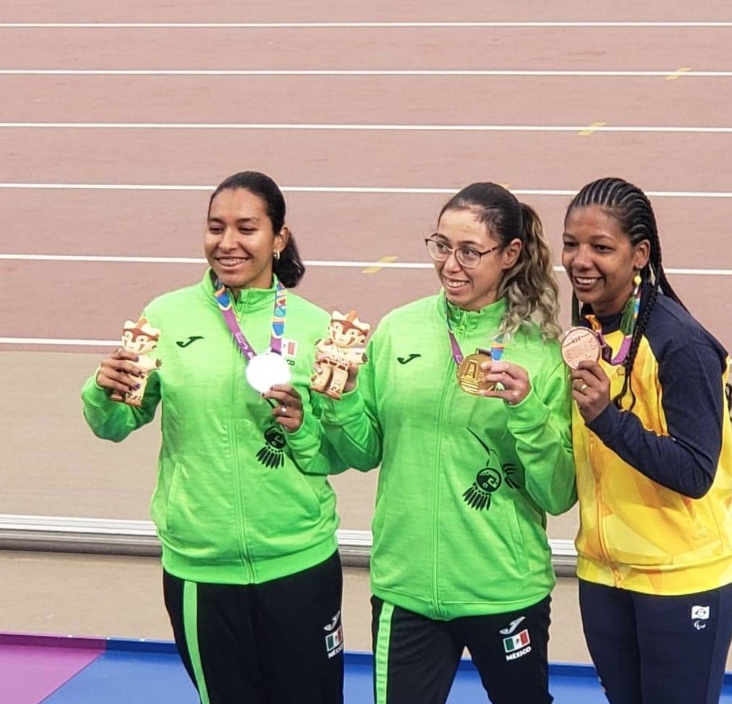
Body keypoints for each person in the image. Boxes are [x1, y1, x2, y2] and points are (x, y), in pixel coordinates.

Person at [81, 171, 346, 704]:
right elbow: (113, 425)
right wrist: (101, 391)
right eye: (215, 227)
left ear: (279, 238)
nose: (227, 243)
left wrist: (304, 427)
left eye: (246, 228)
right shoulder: (165, 316)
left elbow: (347, 453)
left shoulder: (318, 328)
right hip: (200, 568)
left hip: (298, 563)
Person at [317, 182, 577, 704]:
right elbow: (363, 452)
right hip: (406, 588)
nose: (451, 265)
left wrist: (526, 407)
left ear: (510, 254)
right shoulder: (399, 330)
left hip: (503, 588)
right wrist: (342, 397)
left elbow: (557, 493)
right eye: (441, 246)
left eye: (469, 251)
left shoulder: (543, 353)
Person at [562, 176, 732, 704]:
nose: (580, 260)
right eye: (571, 244)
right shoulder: (590, 332)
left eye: (601, 247)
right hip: (606, 576)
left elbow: (694, 472)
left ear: (640, 254)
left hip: (683, 579)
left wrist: (606, 419)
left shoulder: (681, 344)